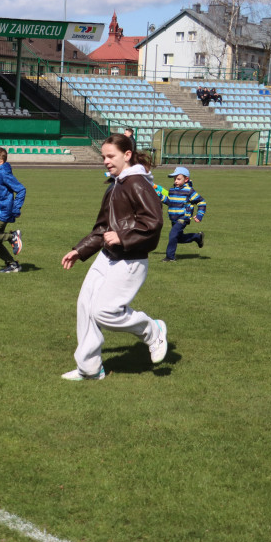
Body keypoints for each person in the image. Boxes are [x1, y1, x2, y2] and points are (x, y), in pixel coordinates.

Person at [60, 132, 167, 381]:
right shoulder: (115, 185)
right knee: (86, 307)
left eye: (111, 156)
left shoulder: (137, 183)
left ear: (127, 155)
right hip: (107, 258)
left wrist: (122, 236)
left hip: (130, 259)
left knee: (105, 311)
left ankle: (153, 330)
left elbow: (153, 222)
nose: (106, 161)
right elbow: (101, 229)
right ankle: (90, 369)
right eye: (104, 157)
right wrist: (80, 250)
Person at [155, 166, 206, 262]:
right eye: (175, 179)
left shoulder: (189, 191)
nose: (176, 181)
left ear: (186, 179)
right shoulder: (172, 190)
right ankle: (197, 237)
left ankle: (170, 257)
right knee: (178, 238)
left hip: (183, 218)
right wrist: (160, 196)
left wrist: (199, 215)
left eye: (178, 179)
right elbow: (170, 202)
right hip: (174, 218)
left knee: (172, 234)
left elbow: (202, 202)